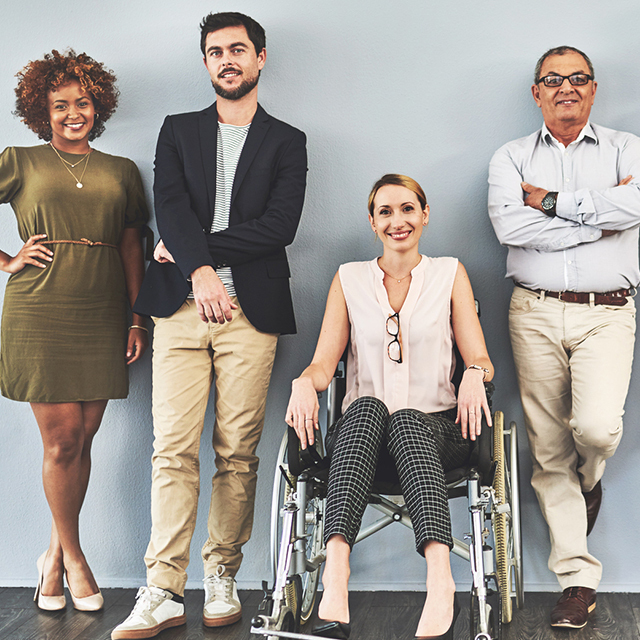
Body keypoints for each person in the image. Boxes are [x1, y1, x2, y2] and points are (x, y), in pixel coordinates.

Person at [112, 12, 307, 640]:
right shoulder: (177, 131)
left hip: (251, 316)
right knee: (171, 450)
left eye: (239, 50)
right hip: (177, 311)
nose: (228, 59)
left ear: (260, 58)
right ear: (205, 63)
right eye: (216, 51)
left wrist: (194, 252)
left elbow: (280, 229)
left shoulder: (287, 140)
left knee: (238, 452)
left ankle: (221, 572)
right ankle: (164, 586)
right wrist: (197, 273)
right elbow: (167, 203)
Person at [286, 174, 493, 640]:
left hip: (438, 431)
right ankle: (336, 573)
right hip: (362, 441)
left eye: (407, 209)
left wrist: (476, 374)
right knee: (365, 409)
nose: (397, 220)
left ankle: (440, 582)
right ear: (372, 221)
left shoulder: (449, 272)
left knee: (405, 419)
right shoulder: (349, 278)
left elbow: (479, 357)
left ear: (424, 215)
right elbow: (324, 362)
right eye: (385, 211)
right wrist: (304, 382)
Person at [488, 46, 640, 628]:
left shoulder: (628, 149)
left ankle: (589, 479)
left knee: (596, 429)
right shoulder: (511, 157)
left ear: (594, 89)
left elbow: (636, 203)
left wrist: (550, 204)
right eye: (553, 80)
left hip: (608, 311)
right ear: (537, 93)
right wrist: (603, 218)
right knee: (548, 448)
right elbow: (510, 226)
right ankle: (577, 580)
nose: (566, 88)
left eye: (578, 78)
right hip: (534, 311)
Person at [0, 50, 148, 612]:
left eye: (82, 102)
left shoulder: (120, 171)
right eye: (59, 104)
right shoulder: (20, 160)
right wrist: (7, 259)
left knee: (83, 438)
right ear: (42, 109)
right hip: (41, 311)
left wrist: (136, 317)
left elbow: (132, 244)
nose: (72, 113)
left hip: (104, 309)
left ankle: (51, 557)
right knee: (61, 441)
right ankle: (76, 558)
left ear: (98, 105)